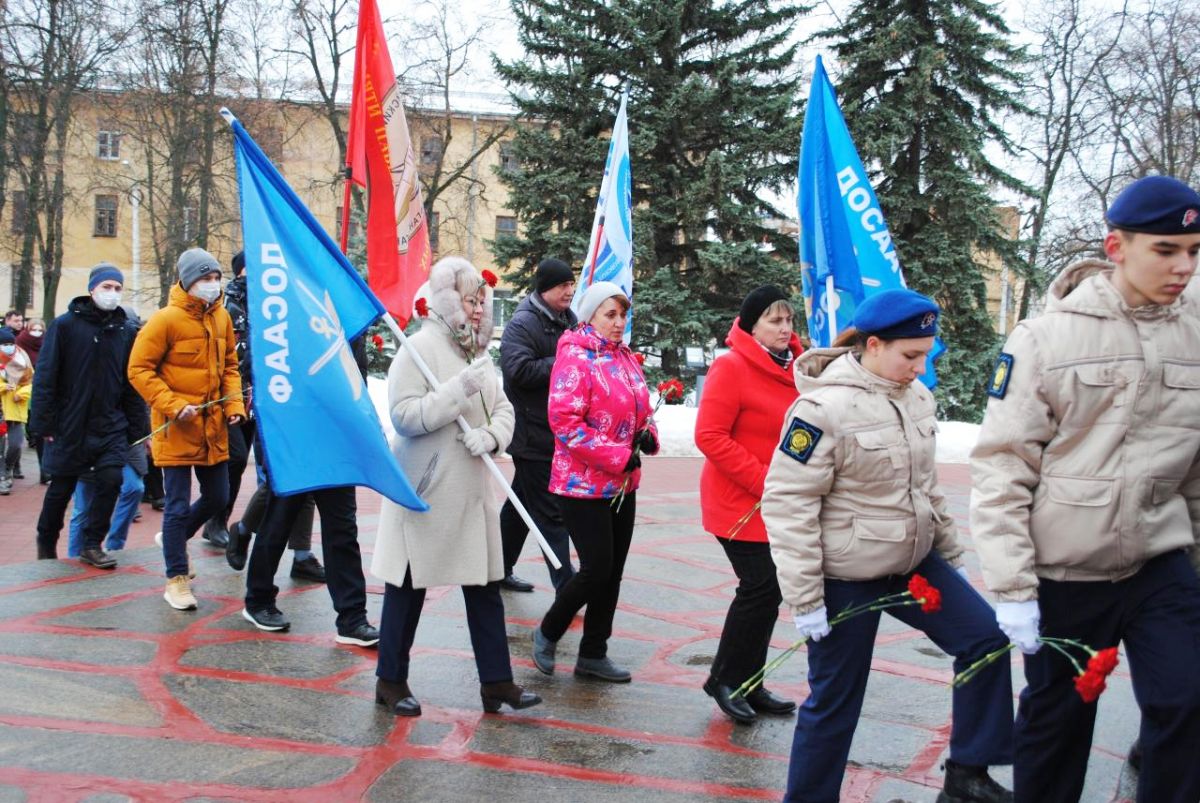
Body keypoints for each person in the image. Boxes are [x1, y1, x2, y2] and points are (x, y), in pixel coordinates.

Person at [970, 175, 1200, 803]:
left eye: (1194, 252)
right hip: (1068, 573)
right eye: (1165, 250)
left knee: (1187, 701)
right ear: (1116, 246)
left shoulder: (1196, 332)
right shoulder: (1047, 339)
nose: (1183, 267)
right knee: (1057, 723)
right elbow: (1002, 467)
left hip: (1158, 559)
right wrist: (1013, 589)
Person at [762, 289, 1013, 803]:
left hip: (912, 567)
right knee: (836, 700)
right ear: (873, 345)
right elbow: (788, 505)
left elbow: (927, 488)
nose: (920, 368)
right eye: (910, 355)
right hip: (846, 580)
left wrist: (952, 556)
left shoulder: (917, 398)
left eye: (927, 355)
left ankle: (967, 775)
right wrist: (806, 598)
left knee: (986, 639)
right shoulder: (820, 409)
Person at [372, 256, 540, 717]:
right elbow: (403, 416)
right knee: (407, 588)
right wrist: (454, 394)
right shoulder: (417, 348)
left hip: (469, 494)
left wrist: (491, 435)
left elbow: (503, 409)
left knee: (485, 588)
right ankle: (389, 680)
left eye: (483, 301)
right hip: (426, 490)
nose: (479, 310)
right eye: (471, 300)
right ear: (449, 301)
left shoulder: (478, 354)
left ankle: (497, 683)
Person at [531, 281, 659, 684]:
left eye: (623, 315)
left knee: (614, 571)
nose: (619, 323)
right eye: (611, 315)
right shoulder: (574, 357)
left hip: (622, 485)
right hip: (581, 486)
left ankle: (593, 653)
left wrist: (648, 433)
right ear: (590, 316)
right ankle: (549, 630)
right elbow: (564, 423)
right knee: (596, 568)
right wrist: (618, 456)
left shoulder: (624, 358)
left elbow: (640, 405)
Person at [694, 286, 803, 725]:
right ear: (752, 325)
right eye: (775, 321)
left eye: (789, 320)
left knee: (771, 591)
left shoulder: (798, 370)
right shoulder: (731, 367)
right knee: (758, 586)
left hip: (776, 503)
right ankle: (723, 679)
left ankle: (750, 682)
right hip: (736, 501)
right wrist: (765, 480)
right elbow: (710, 436)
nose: (784, 328)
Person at [128, 248, 245, 611]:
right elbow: (139, 370)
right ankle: (176, 578)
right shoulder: (164, 320)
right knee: (176, 505)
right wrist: (174, 405)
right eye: (205, 279)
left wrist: (234, 405)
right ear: (187, 281)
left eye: (215, 278)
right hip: (175, 429)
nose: (212, 285)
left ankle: (173, 540)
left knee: (218, 497)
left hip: (212, 428)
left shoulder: (222, 317)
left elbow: (229, 367)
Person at [242, 335, 377, 646]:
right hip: (295, 438)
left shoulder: (346, 320)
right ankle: (259, 599)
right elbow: (256, 366)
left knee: (343, 530)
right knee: (278, 521)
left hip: (336, 441)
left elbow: (358, 380)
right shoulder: (286, 308)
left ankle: (352, 618)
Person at [30, 263, 147, 566]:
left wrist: (138, 429)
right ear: (92, 289)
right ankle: (46, 542)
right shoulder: (65, 326)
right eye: (107, 287)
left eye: (118, 288)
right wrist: (44, 423)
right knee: (61, 489)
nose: (112, 293)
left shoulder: (124, 331)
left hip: (109, 425)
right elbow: (45, 376)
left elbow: (130, 383)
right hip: (70, 425)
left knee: (111, 480)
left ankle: (92, 543)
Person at [220, 250, 325, 582]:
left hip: (296, 397)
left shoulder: (288, 299)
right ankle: (244, 530)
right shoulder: (236, 308)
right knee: (278, 478)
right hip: (262, 399)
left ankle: (302, 555)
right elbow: (238, 359)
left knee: (305, 477)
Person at [497, 257, 579, 593]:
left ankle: (496, 568)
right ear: (545, 289)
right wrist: (564, 360)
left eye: (571, 284)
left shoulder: (568, 320)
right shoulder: (522, 323)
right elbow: (518, 371)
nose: (570, 291)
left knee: (521, 505)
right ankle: (568, 585)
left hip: (554, 431)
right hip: (530, 432)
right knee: (550, 512)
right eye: (563, 285)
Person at [0, 327, 33, 481]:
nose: (8, 346)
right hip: (1, 408)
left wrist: (21, 394)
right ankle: (4, 476)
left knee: (16, 444)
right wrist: (3, 387)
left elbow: (31, 382)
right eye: (4, 344)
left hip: (15, 409)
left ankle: (9, 466)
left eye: (10, 343)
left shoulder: (23, 359)